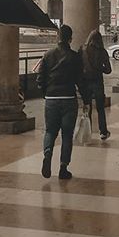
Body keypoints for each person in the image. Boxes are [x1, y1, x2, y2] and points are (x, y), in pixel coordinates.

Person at [37, 24, 90, 180]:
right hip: (68, 99)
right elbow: (81, 81)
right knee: (67, 135)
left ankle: (47, 154)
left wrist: (46, 94)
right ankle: (63, 167)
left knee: (50, 131)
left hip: (52, 99)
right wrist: (86, 100)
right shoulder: (75, 57)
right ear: (70, 38)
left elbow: (40, 79)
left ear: (57, 37)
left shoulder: (47, 55)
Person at [80, 29, 111, 141]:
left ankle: (86, 133)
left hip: (85, 83)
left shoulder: (82, 50)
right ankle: (103, 131)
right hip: (98, 82)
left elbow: (78, 67)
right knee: (100, 108)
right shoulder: (102, 51)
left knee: (87, 107)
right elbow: (108, 70)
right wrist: (99, 68)